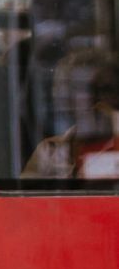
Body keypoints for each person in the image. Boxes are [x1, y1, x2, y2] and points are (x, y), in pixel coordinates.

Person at [21, 50, 119, 180]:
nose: (93, 98)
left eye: (105, 89)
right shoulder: (50, 153)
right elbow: (21, 197)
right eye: (79, 89)